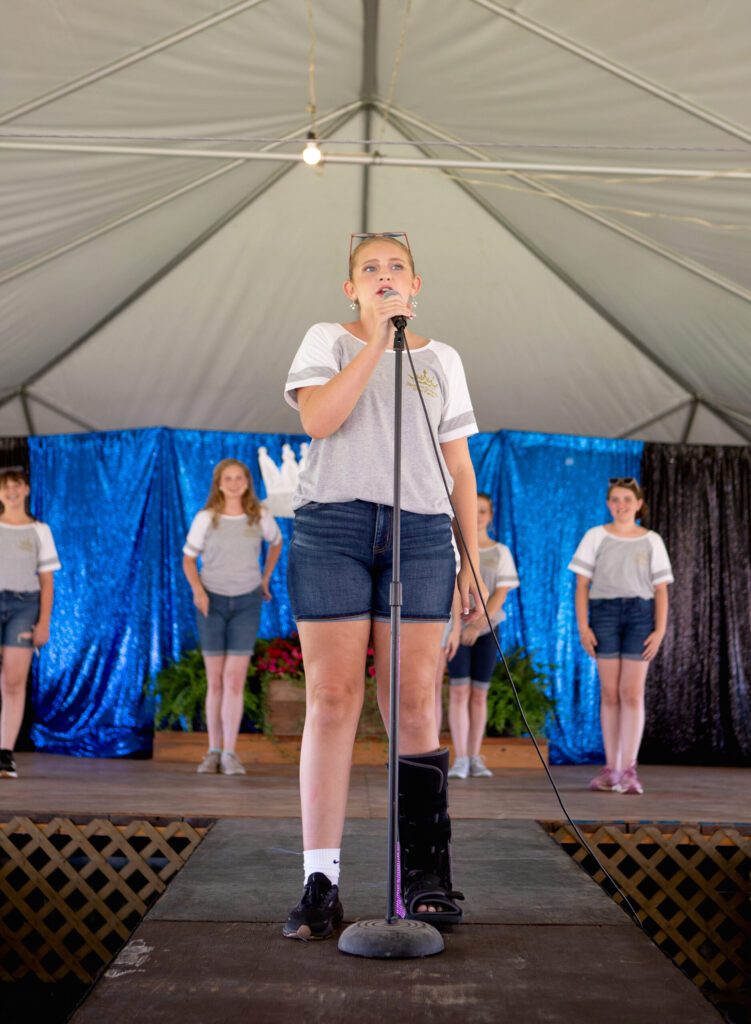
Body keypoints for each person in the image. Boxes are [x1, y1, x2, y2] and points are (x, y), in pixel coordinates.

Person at [281, 231, 486, 940]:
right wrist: (376, 339)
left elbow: (458, 467)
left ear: (416, 283)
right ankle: (320, 880)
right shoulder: (327, 340)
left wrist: (471, 559)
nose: (383, 274)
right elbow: (318, 419)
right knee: (332, 698)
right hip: (333, 528)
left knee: (415, 699)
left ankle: (422, 875)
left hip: (422, 534)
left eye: (396, 266)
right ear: (351, 288)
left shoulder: (443, 359)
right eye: (369, 268)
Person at [569, 477, 673, 795]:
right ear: (608, 504)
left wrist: (659, 630)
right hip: (604, 615)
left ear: (638, 504)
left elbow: (661, 589)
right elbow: (582, 585)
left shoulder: (652, 540)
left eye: (627, 499)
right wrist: (584, 627)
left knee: (632, 693)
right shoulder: (595, 536)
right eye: (615, 499)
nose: (621, 505)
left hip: (640, 616)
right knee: (610, 693)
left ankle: (629, 770)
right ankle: (611, 769)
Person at [182, 458, 282, 776]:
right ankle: (212, 751)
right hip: (211, 603)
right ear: (219, 484)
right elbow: (188, 559)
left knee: (234, 680)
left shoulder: (259, 515)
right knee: (215, 681)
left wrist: (265, 579)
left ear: (248, 482)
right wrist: (198, 591)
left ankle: (230, 753)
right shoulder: (206, 518)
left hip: (247, 602)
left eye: (240, 477)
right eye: (228, 478)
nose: (235, 483)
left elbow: (277, 542)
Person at [446, 492, 519, 780]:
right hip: (457, 630)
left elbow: (500, 594)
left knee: (479, 694)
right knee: (459, 692)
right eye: (472, 509)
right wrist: (460, 627)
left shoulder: (500, 552)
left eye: (483, 511)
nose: (477, 516)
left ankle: (475, 756)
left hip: (488, 630)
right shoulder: (453, 549)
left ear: (490, 516)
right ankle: (460, 758)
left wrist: (477, 626)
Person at [0, 466, 61, 779]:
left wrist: (44, 623)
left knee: (13, 681)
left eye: (17, 485)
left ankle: (4, 754)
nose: (11, 491)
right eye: (5, 486)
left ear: (26, 490)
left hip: (25, 606)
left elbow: (47, 582)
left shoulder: (40, 530)